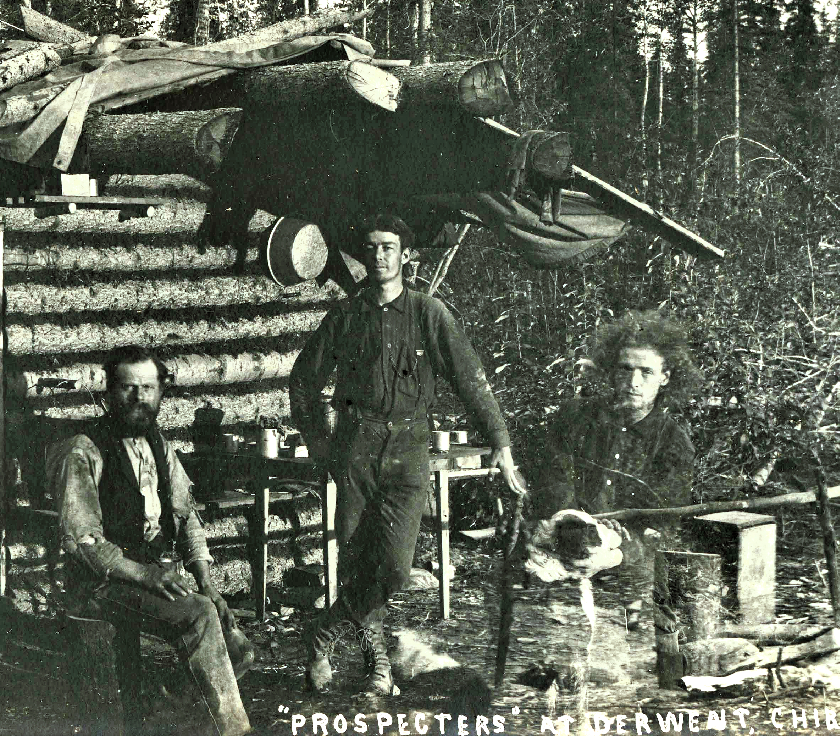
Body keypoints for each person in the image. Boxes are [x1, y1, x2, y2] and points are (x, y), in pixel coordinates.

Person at [288, 213, 528, 695]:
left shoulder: (428, 314)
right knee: (358, 561)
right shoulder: (345, 316)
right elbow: (302, 382)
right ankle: (378, 665)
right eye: (372, 247)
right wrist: (321, 444)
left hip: (409, 448)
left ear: (406, 255)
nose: (379, 256)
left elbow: (470, 381)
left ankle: (322, 633)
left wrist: (501, 445)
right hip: (356, 448)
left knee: (394, 567)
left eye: (389, 247)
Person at [47, 346, 252, 736]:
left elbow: (186, 515)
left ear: (161, 392)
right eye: (127, 388)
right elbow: (85, 543)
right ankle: (236, 731)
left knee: (238, 644)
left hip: (145, 578)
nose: (139, 398)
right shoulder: (85, 450)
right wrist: (144, 574)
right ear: (109, 393)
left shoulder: (158, 443)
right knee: (198, 616)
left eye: (148, 388)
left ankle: (167, 702)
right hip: (101, 583)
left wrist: (209, 585)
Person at [532, 310, 700, 626]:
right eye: (625, 370)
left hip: (631, 552)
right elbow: (553, 479)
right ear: (611, 373)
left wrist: (621, 539)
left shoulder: (674, 441)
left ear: (665, 378)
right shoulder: (577, 418)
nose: (633, 383)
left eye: (646, 372)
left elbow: (665, 512)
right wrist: (572, 522)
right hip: (567, 537)